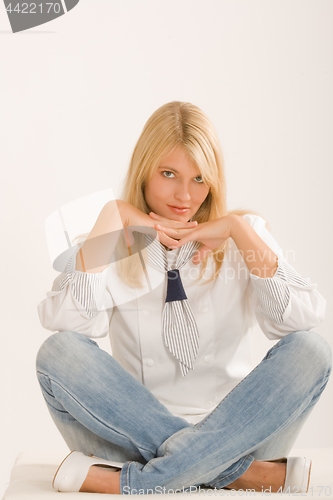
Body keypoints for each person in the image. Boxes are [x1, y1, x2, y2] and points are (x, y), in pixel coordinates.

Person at [36, 101, 331, 495]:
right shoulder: (108, 243)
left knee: (311, 349)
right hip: (134, 439)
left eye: (199, 178)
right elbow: (70, 324)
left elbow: (300, 318)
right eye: (168, 174)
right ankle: (233, 474)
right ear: (144, 172)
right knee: (57, 352)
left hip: (242, 435)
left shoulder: (243, 235)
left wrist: (240, 230)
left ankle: (141, 483)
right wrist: (110, 217)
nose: (184, 194)